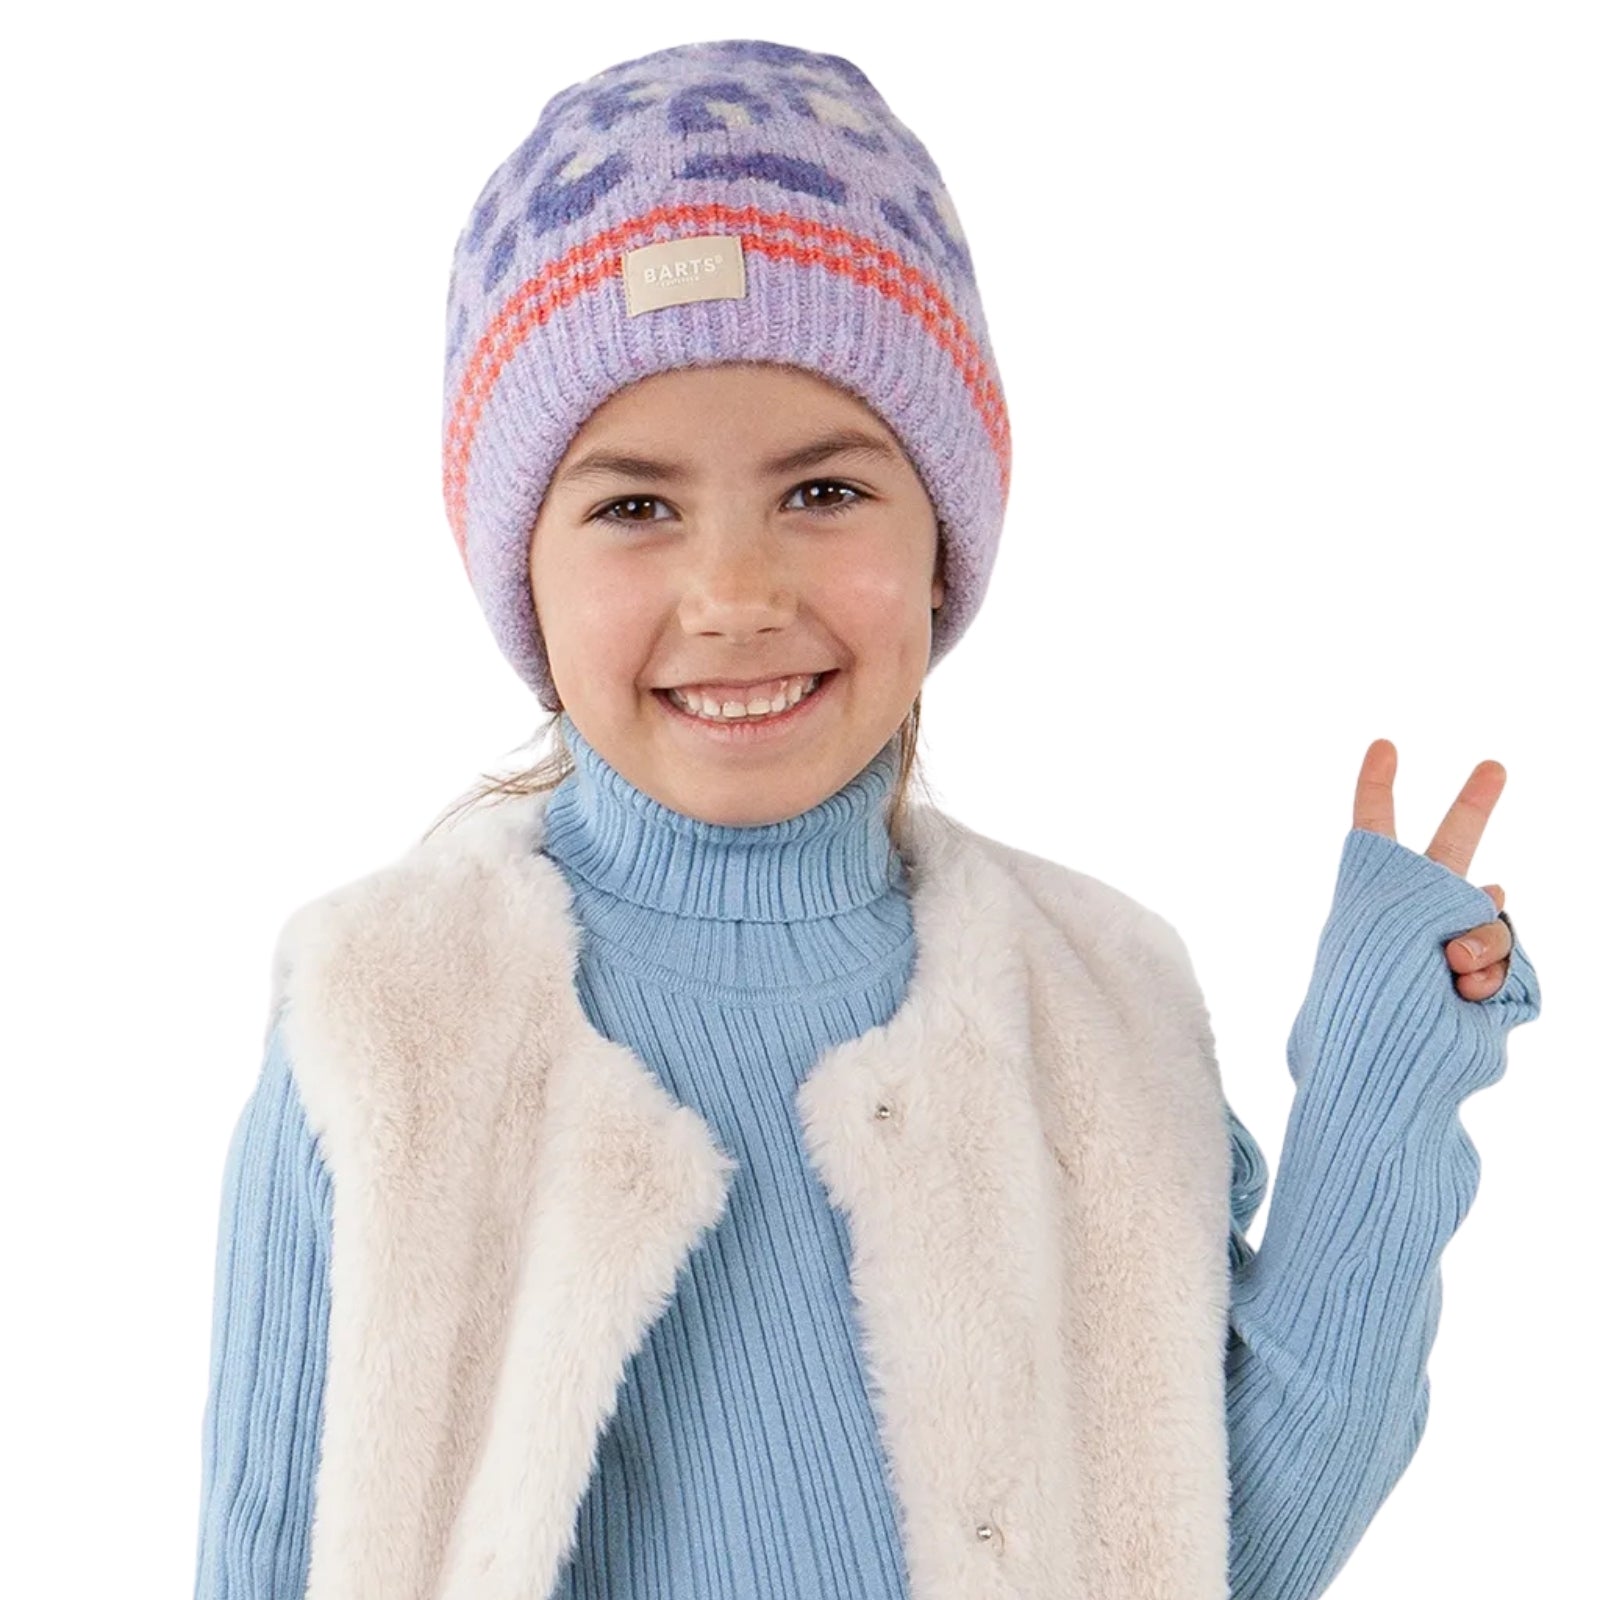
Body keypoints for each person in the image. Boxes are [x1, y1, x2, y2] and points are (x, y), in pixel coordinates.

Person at [190, 37, 1542, 1600]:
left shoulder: (1092, 1005)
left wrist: (1384, 1085)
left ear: (944, 533)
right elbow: (259, 1551)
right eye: (635, 506)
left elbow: (1216, 1555)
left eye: (822, 492)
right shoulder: (382, 1024)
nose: (736, 594)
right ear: (522, 574)